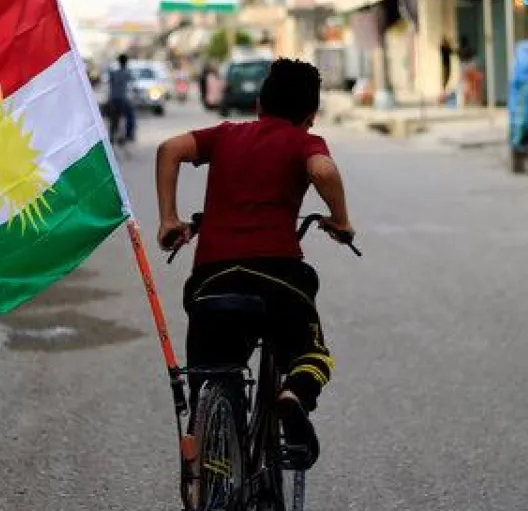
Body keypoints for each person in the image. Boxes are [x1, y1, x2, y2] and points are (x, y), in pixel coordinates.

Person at [154, 58, 354, 469]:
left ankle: (210, 481)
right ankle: (292, 395)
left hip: (214, 277)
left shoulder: (226, 136)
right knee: (309, 356)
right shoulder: (304, 143)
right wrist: (341, 219)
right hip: (278, 275)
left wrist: (169, 220)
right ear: (311, 116)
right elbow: (323, 169)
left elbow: (169, 149)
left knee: (212, 373)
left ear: (260, 104)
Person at [105, 53, 136, 145]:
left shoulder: (113, 73)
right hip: (123, 99)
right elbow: (133, 85)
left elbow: (110, 83)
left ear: (119, 61)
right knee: (131, 117)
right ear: (126, 62)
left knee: (114, 119)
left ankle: (111, 136)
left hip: (113, 99)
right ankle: (129, 134)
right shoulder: (127, 72)